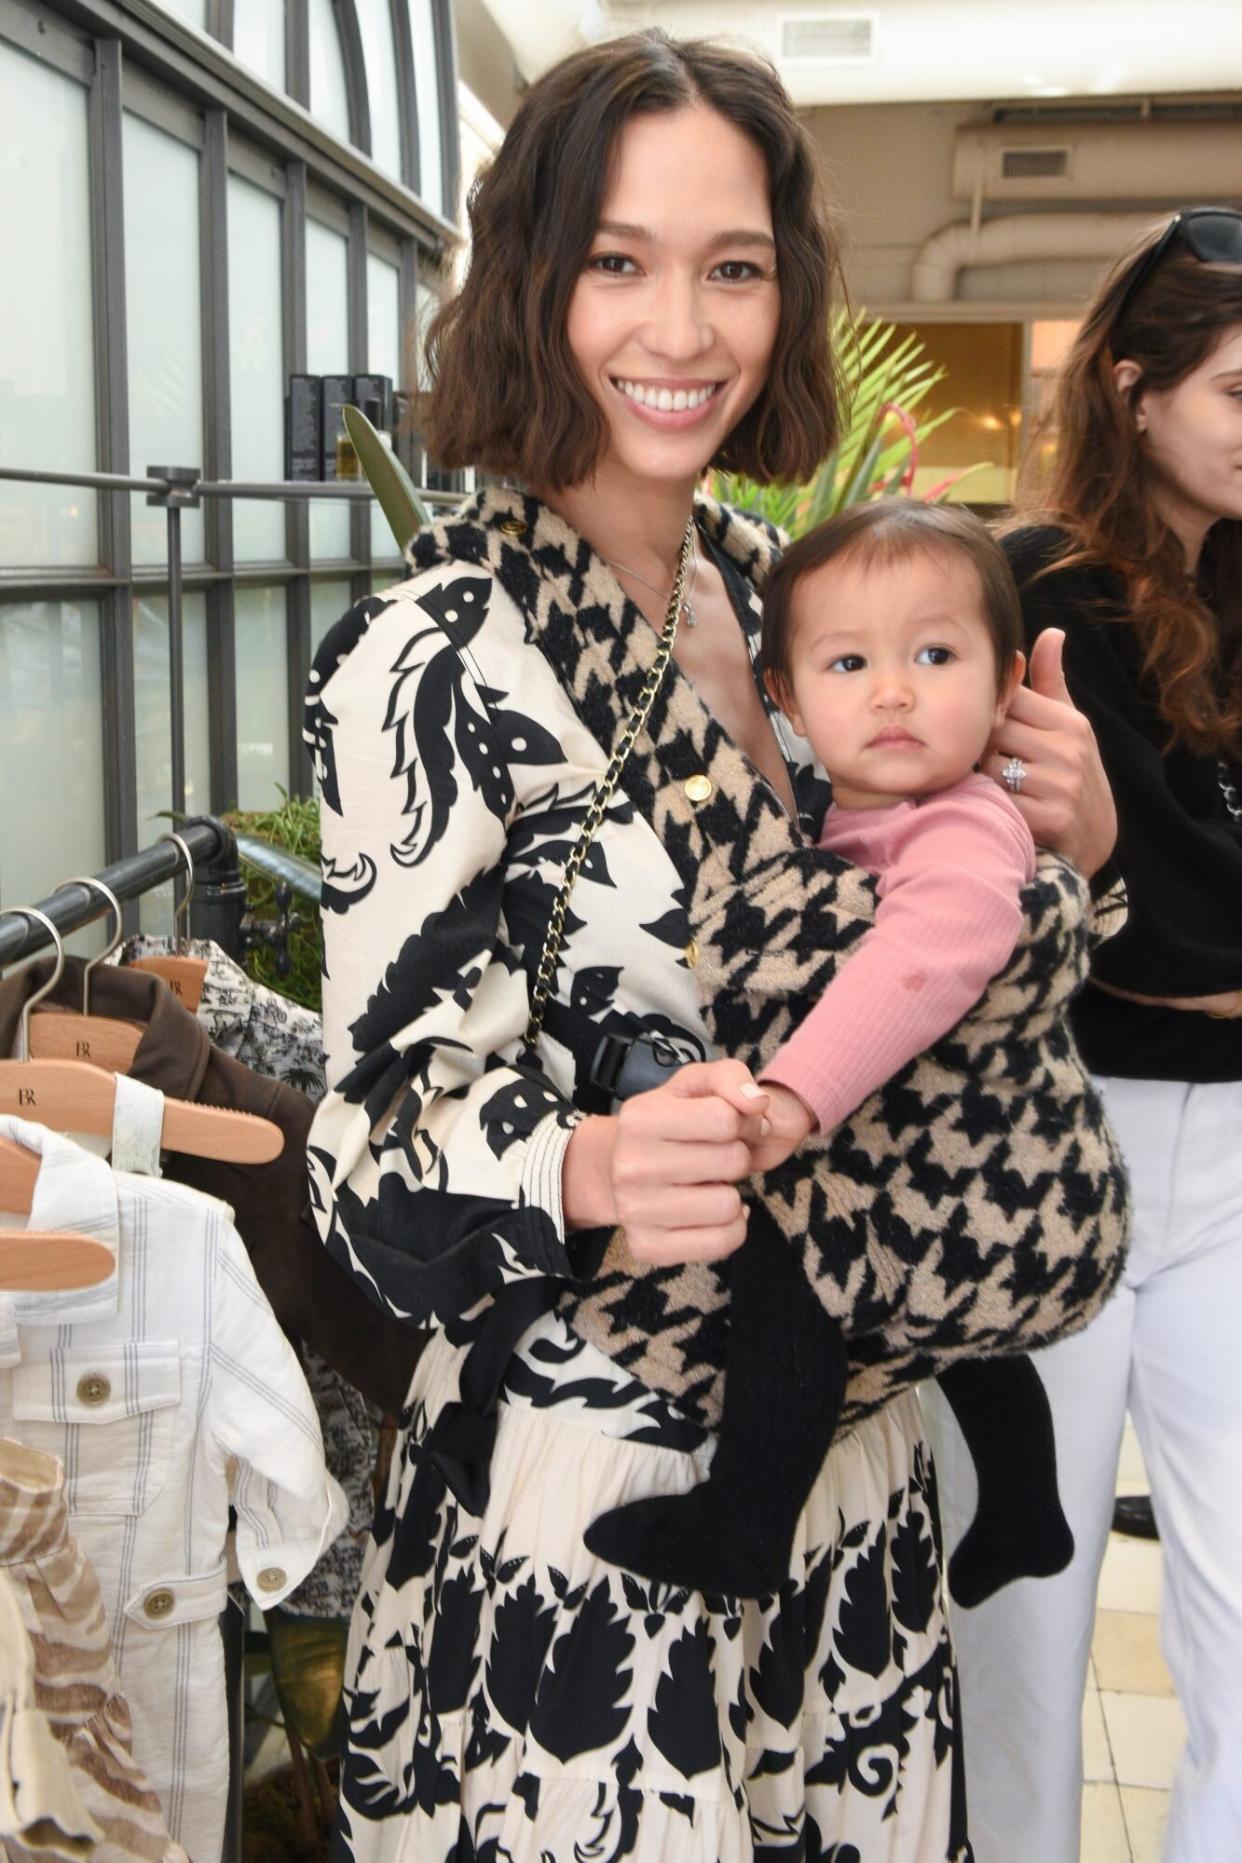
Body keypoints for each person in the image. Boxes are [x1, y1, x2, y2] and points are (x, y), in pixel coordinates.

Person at [304, 31, 1116, 1861]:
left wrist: (1079, 841)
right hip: (601, 1500)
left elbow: (948, 944)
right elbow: (364, 1154)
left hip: (848, 1465)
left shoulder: (794, 589)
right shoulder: (429, 660)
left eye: (731, 266)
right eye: (617, 259)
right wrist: (580, 1160)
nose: (680, 327)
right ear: (527, 278)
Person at [584, 499, 1124, 1608]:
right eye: (848, 662)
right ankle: (1026, 1509)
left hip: (961, 1152)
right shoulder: (853, 814)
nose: (893, 690)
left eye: (936, 654)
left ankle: (747, 1522)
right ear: (782, 694)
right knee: (951, 1328)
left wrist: (795, 1097)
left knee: (799, 1272)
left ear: (1007, 678)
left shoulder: (963, 826)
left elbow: (929, 956)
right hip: (949, 1178)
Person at [926, 209, 1242, 1863]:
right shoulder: (1032, 586)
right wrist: (1140, 883)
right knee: (1021, 1614)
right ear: (1133, 388)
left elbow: (1180, 914)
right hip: (1048, 1153)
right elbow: (1113, 932)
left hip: (1236, 1161)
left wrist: (1149, 878)